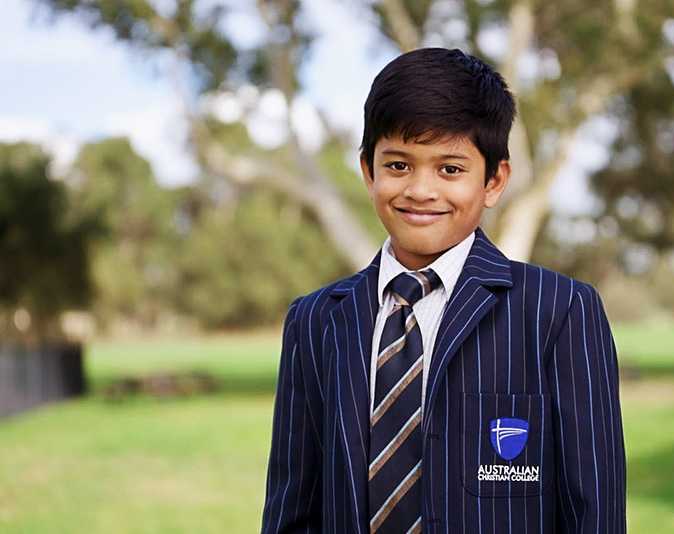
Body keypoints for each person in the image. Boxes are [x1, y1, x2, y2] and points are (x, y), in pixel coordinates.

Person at [260, 47, 626, 534]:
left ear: (493, 181)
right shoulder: (314, 321)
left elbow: (594, 513)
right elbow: (293, 510)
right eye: (398, 166)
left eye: (450, 169)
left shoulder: (559, 311)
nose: (420, 190)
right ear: (368, 170)